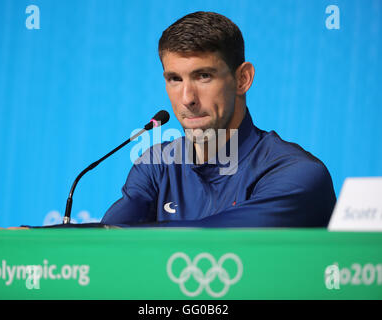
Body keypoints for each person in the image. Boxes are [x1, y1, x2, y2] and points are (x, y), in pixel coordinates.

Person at [101, 11, 336, 228]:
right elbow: (103, 244)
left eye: (203, 76)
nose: (187, 99)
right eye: (175, 78)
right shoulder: (156, 166)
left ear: (243, 79)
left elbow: (220, 245)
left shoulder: (297, 174)